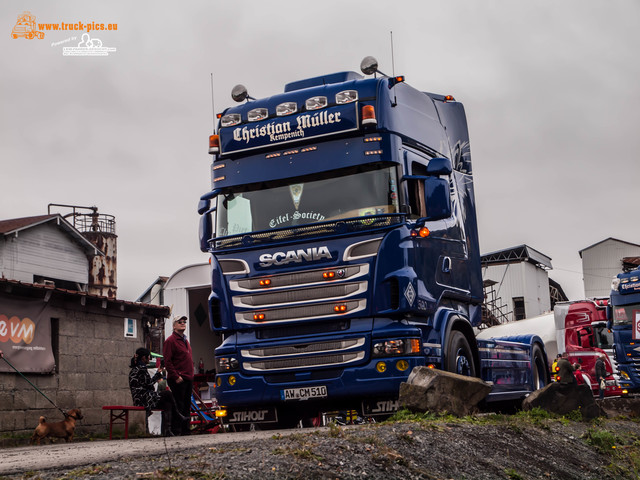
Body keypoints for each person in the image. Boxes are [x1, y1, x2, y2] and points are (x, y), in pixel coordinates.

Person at [128, 347, 187, 437]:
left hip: (139, 399)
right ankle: (178, 416)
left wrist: (157, 374)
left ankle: (168, 430)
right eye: (149, 357)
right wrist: (157, 375)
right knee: (167, 394)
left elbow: (145, 384)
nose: (149, 359)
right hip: (144, 399)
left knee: (167, 403)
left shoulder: (134, 369)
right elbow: (149, 384)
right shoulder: (142, 369)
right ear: (144, 358)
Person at [163, 315, 194, 435]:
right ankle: (177, 430)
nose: (183, 323)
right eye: (179, 322)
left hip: (188, 377)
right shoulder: (170, 341)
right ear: (174, 325)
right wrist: (176, 376)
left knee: (186, 405)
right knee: (178, 405)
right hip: (178, 379)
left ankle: (186, 430)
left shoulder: (185, 340)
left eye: (184, 321)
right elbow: (168, 361)